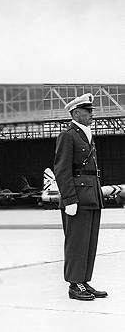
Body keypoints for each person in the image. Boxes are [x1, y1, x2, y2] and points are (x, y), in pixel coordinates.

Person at [54, 93, 107, 301]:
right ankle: (74, 285)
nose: (91, 115)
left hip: (91, 194)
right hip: (77, 196)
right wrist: (69, 199)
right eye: (88, 111)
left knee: (89, 241)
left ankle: (83, 281)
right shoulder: (68, 135)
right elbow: (62, 169)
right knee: (76, 242)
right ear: (76, 113)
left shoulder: (85, 133)